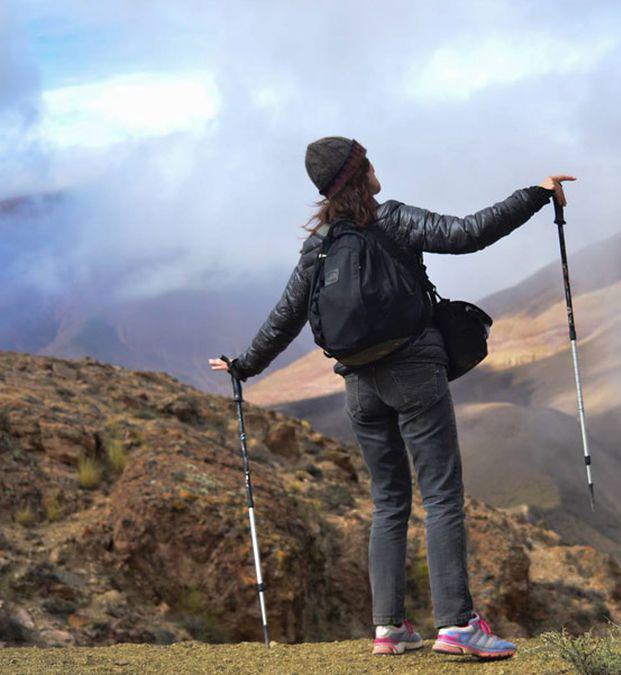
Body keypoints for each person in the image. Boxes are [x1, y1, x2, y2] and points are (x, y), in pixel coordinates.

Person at [209, 135, 573, 659]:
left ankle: (390, 629)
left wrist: (243, 366)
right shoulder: (393, 220)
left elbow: (286, 317)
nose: (377, 167)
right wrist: (536, 194)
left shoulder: (321, 247)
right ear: (359, 175)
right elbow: (469, 234)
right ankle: (458, 625)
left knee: (388, 502)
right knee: (442, 495)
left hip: (359, 385)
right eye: (368, 162)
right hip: (415, 373)